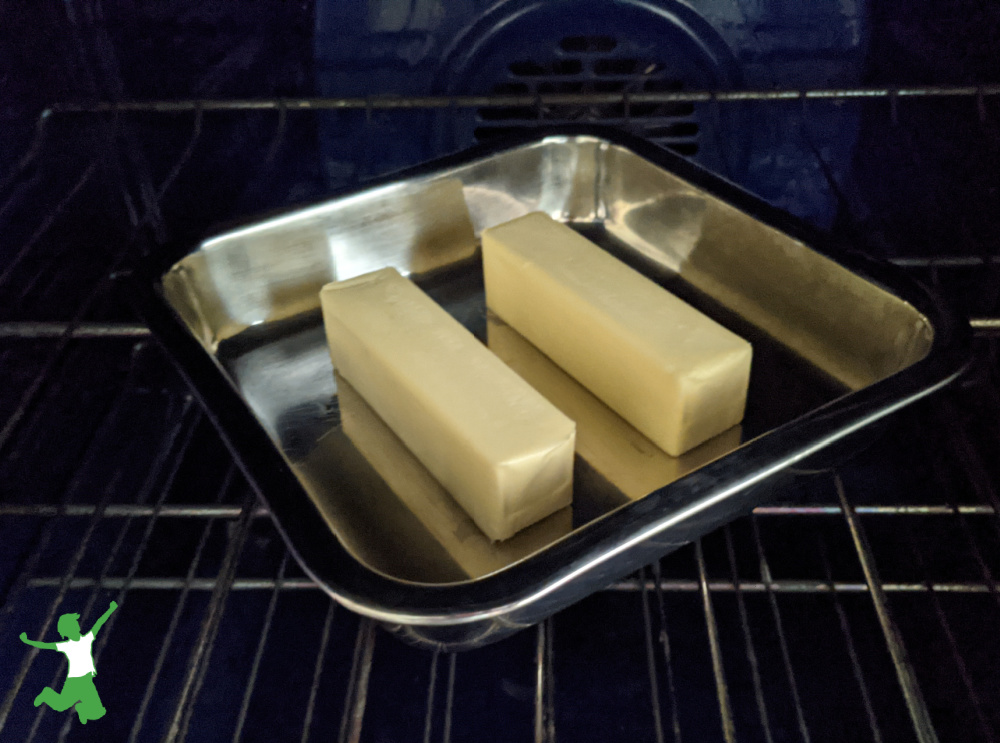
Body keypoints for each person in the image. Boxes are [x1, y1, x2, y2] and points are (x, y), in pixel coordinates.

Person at [19, 600, 118, 724]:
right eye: (72, 625)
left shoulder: (86, 639)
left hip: (86, 680)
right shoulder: (67, 645)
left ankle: (81, 709)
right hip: (75, 681)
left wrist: (110, 609)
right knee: (61, 705)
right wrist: (27, 641)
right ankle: (46, 694)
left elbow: (99, 623)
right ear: (67, 631)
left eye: (75, 624)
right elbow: (45, 645)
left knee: (98, 711)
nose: (75, 626)